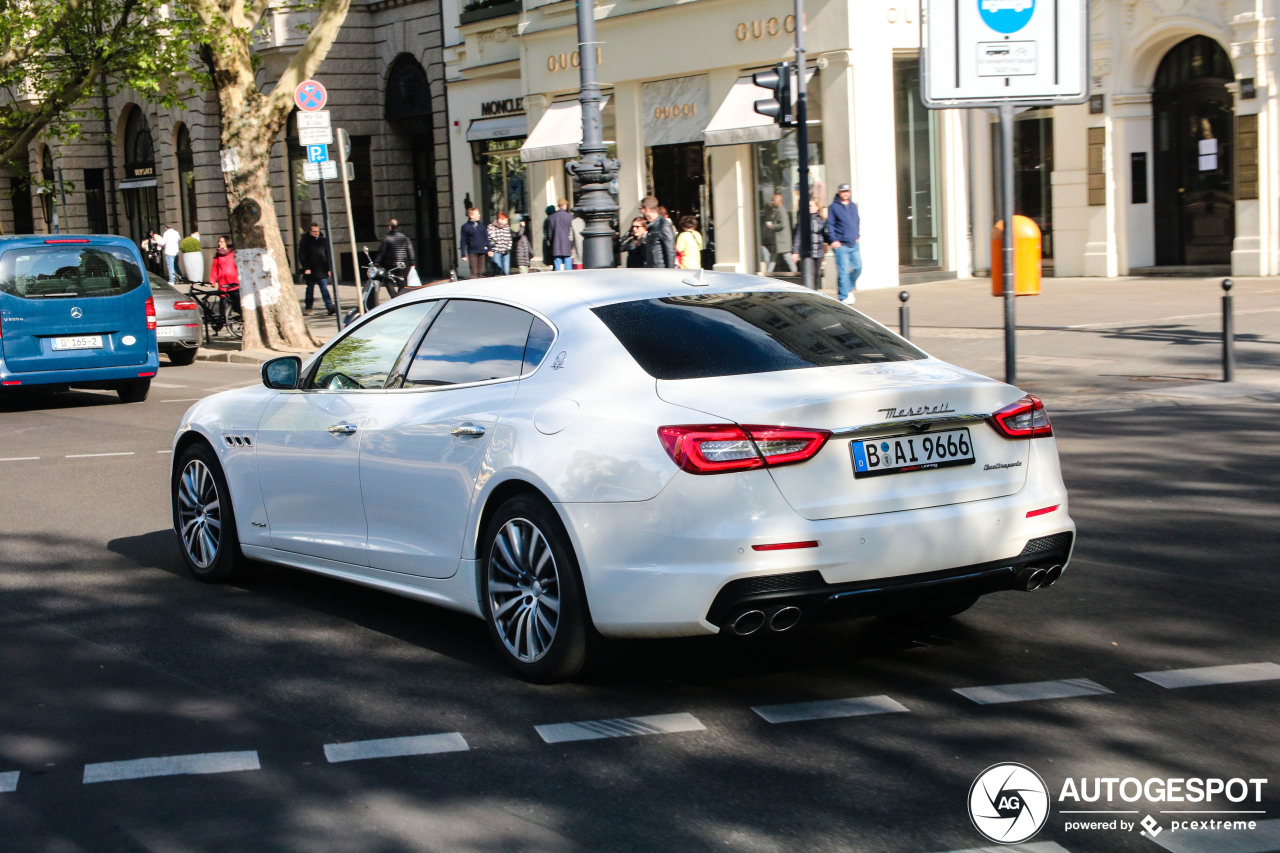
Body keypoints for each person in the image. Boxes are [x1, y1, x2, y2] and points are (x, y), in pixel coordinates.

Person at [828, 182, 862, 304]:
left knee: (858, 268)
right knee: (843, 272)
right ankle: (843, 297)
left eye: (847, 191)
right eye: (843, 191)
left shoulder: (853, 206)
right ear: (839, 192)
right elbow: (830, 224)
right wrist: (833, 240)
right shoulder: (834, 207)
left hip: (853, 243)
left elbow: (857, 221)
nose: (845, 193)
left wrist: (857, 235)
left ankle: (848, 289)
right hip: (841, 245)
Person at [296, 222, 335, 316]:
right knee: (310, 290)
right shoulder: (305, 241)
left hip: (322, 269)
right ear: (310, 231)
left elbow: (328, 255)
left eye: (317, 231)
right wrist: (306, 267)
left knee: (324, 289)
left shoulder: (324, 241)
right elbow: (302, 255)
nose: (316, 233)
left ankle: (329, 307)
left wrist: (329, 268)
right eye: (314, 231)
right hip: (310, 270)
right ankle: (308, 308)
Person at [375, 219, 416, 296]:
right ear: (398, 227)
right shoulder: (405, 237)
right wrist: (412, 263)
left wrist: (376, 264)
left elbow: (381, 252)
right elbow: (410, 251)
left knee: (387, 280)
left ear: (390, 227)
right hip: (403, 264)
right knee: (402, 282)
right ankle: (401, 296)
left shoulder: (386, 238)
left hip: (391, 265)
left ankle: (394, 296)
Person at [790, 197, 829, 281]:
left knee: (816, 274)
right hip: (808, 251)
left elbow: (825, 235)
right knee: (808, 275)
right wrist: (795, 251)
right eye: (808, 206)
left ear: (817, 207)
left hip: (818, 251)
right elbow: (798, 235)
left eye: (811, 206)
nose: (809, 208)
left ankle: (815, 291)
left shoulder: (821, 219)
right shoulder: (804, 219)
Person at [210, 235, 241, 318]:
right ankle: (223, 320)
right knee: (223, 301)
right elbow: (214, 268)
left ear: (227, 242)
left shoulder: (233, 253)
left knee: (236, 302)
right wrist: (212, 280)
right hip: (223, 282)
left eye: (221, 241)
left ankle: (239, 316)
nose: (219, 243)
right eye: (219, 241)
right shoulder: (218, 254)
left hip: (234, 282)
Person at [639, 196, 675, 268]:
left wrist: (670, 273)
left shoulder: (663, 225)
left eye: (641, 209)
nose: (640, 211)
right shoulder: (651, 226)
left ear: (647, 209)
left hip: (660, 271)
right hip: (651, 270)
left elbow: (670, 251)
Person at [763, 193, 795, 273]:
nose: (772, 202)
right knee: (773, 258)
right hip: (779, 241)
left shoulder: (781, 211)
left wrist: (772, 226)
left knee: (787, 258)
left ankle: (795, 273)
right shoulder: (778, 210)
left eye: (774, 200)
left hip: (783, 241)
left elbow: (783, 224)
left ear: (778, 201)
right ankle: (768, 274)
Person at [459, 207, 491, 279]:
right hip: (472, 251)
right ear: (471, 216)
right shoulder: (465, 227)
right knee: (474, 272)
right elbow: (463, 240)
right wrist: (463, 254)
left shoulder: (481, 225)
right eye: (477, 214)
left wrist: (489, 249)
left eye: (479, 213)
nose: (479, 215)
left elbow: (486, 237)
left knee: (480, 272)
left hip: (482, 250)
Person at [547, 199, 574, 271]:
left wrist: (551, 243)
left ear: (559, 206)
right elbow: (572, 231)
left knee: (557, 263)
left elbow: (550, 234)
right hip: (567, 243)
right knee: (568, 262)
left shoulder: (552, 217)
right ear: (565, 205)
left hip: (556, 244)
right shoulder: (570, 217)